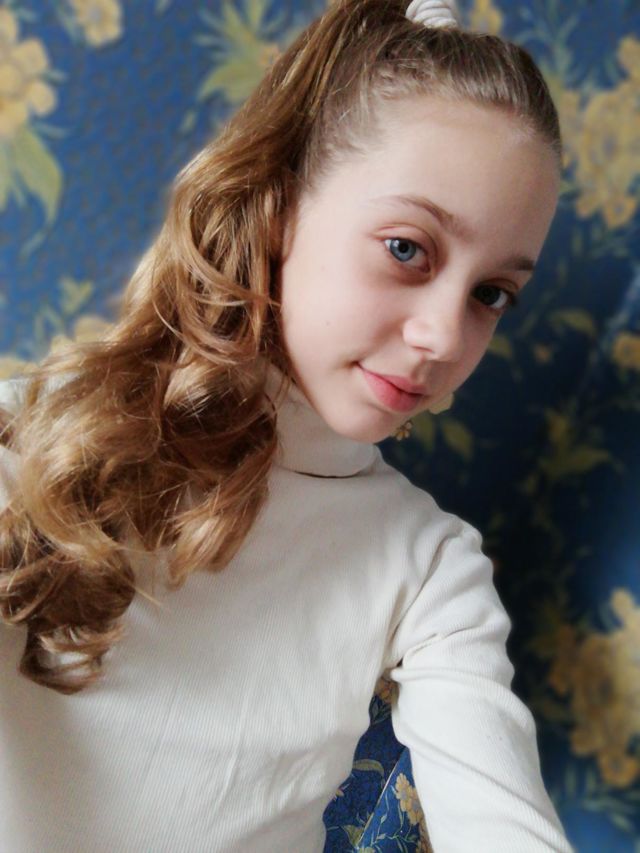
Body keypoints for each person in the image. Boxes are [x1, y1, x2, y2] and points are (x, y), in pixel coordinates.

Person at [0, 0, 574, 850]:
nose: (446, 338)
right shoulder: (32, 435)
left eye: (491, 294)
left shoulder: (430, 568)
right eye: (407, 248)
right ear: (277, 208)